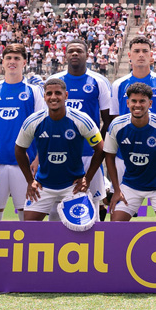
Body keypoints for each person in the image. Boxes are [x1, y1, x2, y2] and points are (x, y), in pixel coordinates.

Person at [13, 78, 105, 221]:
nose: (53, 97)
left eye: (58, 93)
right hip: (43, 186)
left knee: (83, 229)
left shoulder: (81, 119)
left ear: (66, 95)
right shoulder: (33, 121)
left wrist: (87, 178)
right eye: (49, 93)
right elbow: (19, 150)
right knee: (29, 227)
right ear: (44, 97)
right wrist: (30, 180)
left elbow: (100, 149)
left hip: (73, 186)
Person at [0, 43, 46, 220]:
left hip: (25, 164)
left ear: (24, 62)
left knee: (28, 216)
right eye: (8, 58)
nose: (12, 62)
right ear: (2, 62)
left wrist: (38, 159)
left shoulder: (34, 91)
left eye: (17, 58)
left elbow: (43, 128)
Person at [49, 39, 113, 213]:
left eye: (79, 51)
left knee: (94, 201)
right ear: (65, 55)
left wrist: (98, 148)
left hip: (89, 153)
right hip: (59, 153)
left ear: (87, 55)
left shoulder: (99, 81)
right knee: (58, 206)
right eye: (71, 51)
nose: (75, 54)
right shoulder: (54, 81)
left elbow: (108, 121)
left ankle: (97, 240)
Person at [104, 83, 156, 222]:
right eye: (134, 101)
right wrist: (116, 190)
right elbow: (109, 156)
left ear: (150, 103)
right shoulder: (117, 125)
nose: (137, 105)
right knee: (115, 226)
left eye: (142, 101)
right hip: (131, 185)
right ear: (127, 103)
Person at [110, 36, 156, 120]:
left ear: (151, 55)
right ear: (129, 55)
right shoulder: (118, 85)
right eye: (136, 51)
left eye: (145, 51)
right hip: (127, 133)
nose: (141, 55)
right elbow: (115, 117)